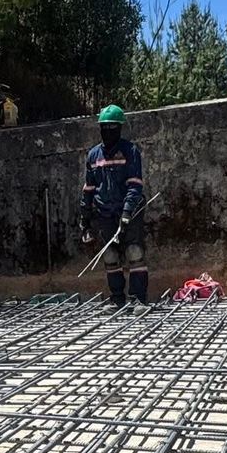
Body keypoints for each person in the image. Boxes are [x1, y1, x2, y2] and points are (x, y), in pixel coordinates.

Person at [78, 105, 147, 306]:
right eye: (104, 127)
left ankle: (138, 298)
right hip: (105, 213)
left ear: (119, 128)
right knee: (109, 255)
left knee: (134, 251)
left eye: (112, 127)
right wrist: (85, 218)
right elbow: (89, 189)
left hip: (129, 211)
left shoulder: (130, 151)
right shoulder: (93, 155)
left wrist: (127, 212)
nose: (108, 131)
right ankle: (117, 299)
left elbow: (135, 185)